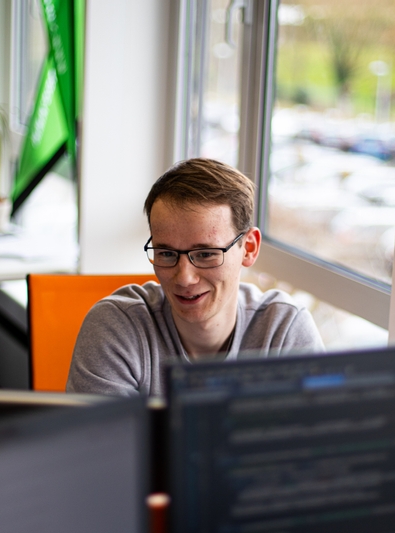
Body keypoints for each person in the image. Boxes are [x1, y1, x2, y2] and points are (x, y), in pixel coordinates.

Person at [67, 158, 324, 398]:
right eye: (166, 253)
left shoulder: (283, 331)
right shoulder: (117, 327)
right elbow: (99, 445)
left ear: (248, 248)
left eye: (205, 254)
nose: (184, 278)